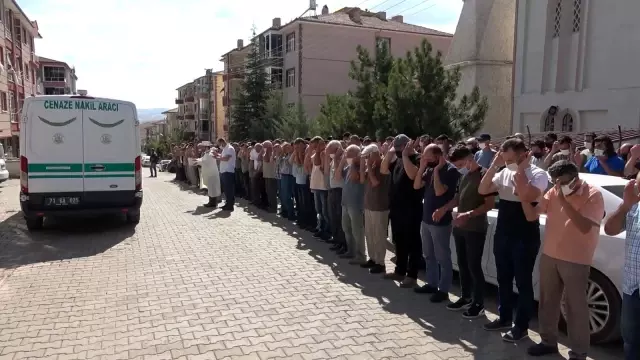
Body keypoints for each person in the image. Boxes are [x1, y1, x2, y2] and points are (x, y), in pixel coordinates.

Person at [516, 161, 604, 359]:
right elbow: (532, 215)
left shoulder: (593, 194)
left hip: (576, 259)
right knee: (548, 302)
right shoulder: (554, 191)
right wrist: (523, 196)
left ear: (575, 178)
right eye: (555, 182)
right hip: (550, 254)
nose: (558, 186)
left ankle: (579, 352)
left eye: (562, 182)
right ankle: (548, 342)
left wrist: (565, 201)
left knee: (575, 307)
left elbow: (585, 227)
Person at [478, 138, 549, 342]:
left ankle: (522, 326)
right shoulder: (504, 171)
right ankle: (504, 318)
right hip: (504, 232)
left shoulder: (538, 174)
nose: (502, 158)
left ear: (520, 154)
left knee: (523, 281)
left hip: (524, 235)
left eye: (505, 154)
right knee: (503, 278)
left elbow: (527, 194)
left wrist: (523, 169)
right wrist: (494, 166)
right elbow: (483, 190)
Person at [446, 146, 496, 318]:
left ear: (469, 159)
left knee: (474, 266)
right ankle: (465, 297)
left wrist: (469, 214)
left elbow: (489, 204)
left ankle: (478, 303)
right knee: (462, 264)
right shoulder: (464, 175)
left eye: (460, 164)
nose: (459, 168)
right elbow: (457, 198)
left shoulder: (484, 175)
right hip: (460, 227)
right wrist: (444, 209)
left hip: (475, 228)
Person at [413, 144, 460, 303]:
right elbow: (417, 185)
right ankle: (431, 283)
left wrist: (438, 170)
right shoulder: (429, 169)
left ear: (438, 157)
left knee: (442, 257)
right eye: (424, 157)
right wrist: (421, 168)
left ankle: (443, 289)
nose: (425, 160)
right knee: (428, 254)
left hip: (440, 221)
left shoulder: (450, 170)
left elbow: (440, 191)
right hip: (426, 219)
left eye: (428, 158)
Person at [604, 173, 640, 360]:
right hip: (632, 287)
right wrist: (625, 205)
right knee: (631, 341)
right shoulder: (634, 208)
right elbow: (610, 229)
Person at [380, 135, 424, 288]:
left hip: (412, 209)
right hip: (397, 208)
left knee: (413, 243)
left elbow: (413, 175)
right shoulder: (397, 159)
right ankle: (400, 270)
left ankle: (412, 275)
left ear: (408, 145)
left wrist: (405, 155)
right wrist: (390, 152)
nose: (398, 151)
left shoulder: (418, 158)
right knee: (399, 241)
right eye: (396, 148)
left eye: (400, 148)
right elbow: (383, 169)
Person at [361, 143, 390, 274]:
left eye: (368, 156)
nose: (367, 159)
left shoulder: (382, 166)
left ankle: (380, 262)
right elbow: (362, 180)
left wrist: (368, 166)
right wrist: (364, 165)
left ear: (374, 154)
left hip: (380, 206)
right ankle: (372, 258)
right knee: (370, 233)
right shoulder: (371, 166)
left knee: (379, 235)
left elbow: (375, 182)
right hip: (369, 205)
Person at [336, 144, 366, 264]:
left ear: (356, 155)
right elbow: (338, 176)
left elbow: (354, 178)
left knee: (357, 230)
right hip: (346, 203)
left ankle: (361, 256)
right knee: (346, 228)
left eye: (348, 153)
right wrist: (343, 161)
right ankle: (351, 251)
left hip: (355, 204)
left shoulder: (359, 167)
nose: (345, 155)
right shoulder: (348, 167)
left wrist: (353, 162)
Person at [326, 140, 347, 254]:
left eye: (330, 150)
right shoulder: (333, 160)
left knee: (339, 219)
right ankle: (337, 240)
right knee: (333, 217)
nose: (328, 153)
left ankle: (343, 243)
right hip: (332, 190)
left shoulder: (343, 159)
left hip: (340, 191)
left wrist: (336, 158)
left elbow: (338, 176)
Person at [310, 137, 331, 240]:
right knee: (319, 210)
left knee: (325, 211)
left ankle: (327, 231)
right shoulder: (315, 154)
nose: (313, 147)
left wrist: (319, 151)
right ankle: (320, 228)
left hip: (324, 187)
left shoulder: (325, 153)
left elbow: (319, 165)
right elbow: (311, 164)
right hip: (316, 186)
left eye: (315, 145)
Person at [218, 138, 236, 211]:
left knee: (229, 189)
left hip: (228, 171)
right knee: (226, 189)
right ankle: (228, 203)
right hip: (224, 171)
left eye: (219, 143)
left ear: (222, 142)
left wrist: (217, 157)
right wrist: (218, 155)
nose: (219, 145)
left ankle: (230, 205)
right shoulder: (225, 149)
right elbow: (223, 157)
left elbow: (226, 158)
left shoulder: (230, 148)